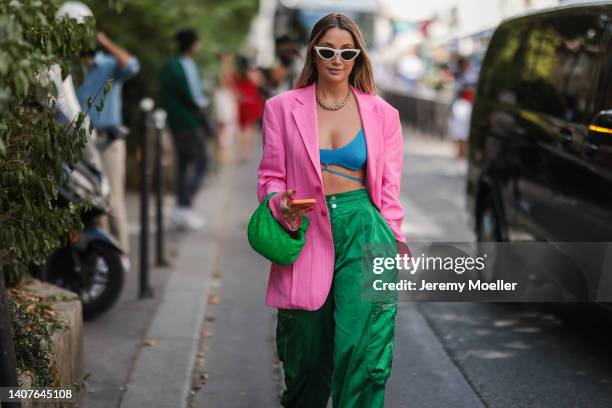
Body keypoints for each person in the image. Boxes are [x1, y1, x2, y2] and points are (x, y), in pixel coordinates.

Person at [257, 13, 410, 407]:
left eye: (347, 51)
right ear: (314, 53)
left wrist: (394, 241)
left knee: (361, 350)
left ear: (358, 55)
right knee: (305, 352)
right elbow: (270, 176)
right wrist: (280, 203)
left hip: (365, 230)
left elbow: (390, 190)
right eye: (327, 50)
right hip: (307, 229)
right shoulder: (281, 108)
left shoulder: (383, 114)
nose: (337, 59)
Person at [77, 30, 140, 256]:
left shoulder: (108, 65)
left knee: (113, 202)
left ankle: (121, 257)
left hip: (108, 141)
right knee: (94, 203)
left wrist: (104, 40)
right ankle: (103, 259)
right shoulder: (74, 70)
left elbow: (132, 65)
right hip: (82, 142)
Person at [160, 29, 212, 230]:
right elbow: (192, 97)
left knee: (184, 164)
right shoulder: (183, 66)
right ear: (192, 45)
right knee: (202, 162)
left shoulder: (172, 65)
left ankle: (181, 208)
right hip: (188, 122)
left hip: (178, 122)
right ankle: (183, 205)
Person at [233, 57, 264, 162]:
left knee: (243, 129)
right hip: (252, 103)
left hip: (242, 104)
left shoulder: (238, 75)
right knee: (249, 129)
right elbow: (258, 83)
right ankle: (247, 152)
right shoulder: (253, 74)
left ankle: (243, 151)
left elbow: (233, 87)